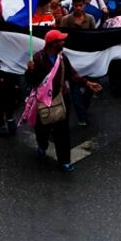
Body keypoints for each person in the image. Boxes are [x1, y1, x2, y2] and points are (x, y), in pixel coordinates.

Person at [26, 29, 102, 171]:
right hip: (43, 101)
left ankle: (64, 160)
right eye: (61, 40)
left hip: (61, 98)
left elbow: (72, 73)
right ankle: (42, 145)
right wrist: (29, 71)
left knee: (63, 131)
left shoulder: (62, 58)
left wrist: (87, 83)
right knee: (42, 127)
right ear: (53, 44)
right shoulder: (38, 58)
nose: (64, 42)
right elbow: (31, 81)